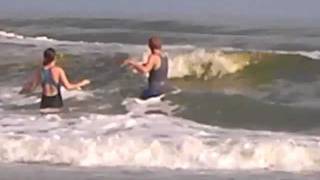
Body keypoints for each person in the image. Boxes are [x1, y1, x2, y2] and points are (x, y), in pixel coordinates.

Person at [19, 48, 90, 112]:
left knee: (45, 124)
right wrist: (82, 83)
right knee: (56, 124)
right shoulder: (58, 70)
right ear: (54, 58)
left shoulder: (39, 71)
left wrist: (23, 90)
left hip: (45, 101)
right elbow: (68, 87)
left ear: (44, 58)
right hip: (55, 101)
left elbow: (32, 88)